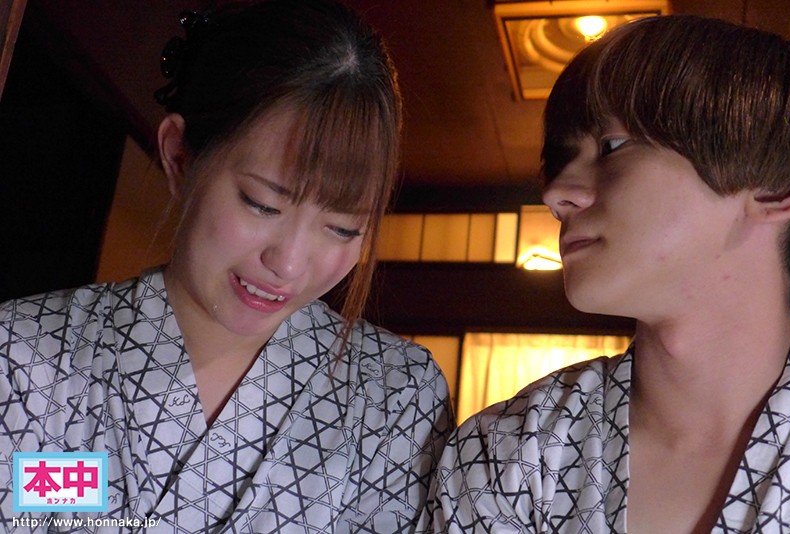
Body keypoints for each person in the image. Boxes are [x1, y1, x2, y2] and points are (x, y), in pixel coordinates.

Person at [0, 0, 453, 531]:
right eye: (262, 204)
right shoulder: (22, 356)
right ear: (179, 157)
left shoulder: (398, 397)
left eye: (342, 228)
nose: (288, 264)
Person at [420, 14, 790, 533]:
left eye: (612, 147)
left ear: (774, 189)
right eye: (561, 162)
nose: (556, 194)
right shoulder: (508, 452)